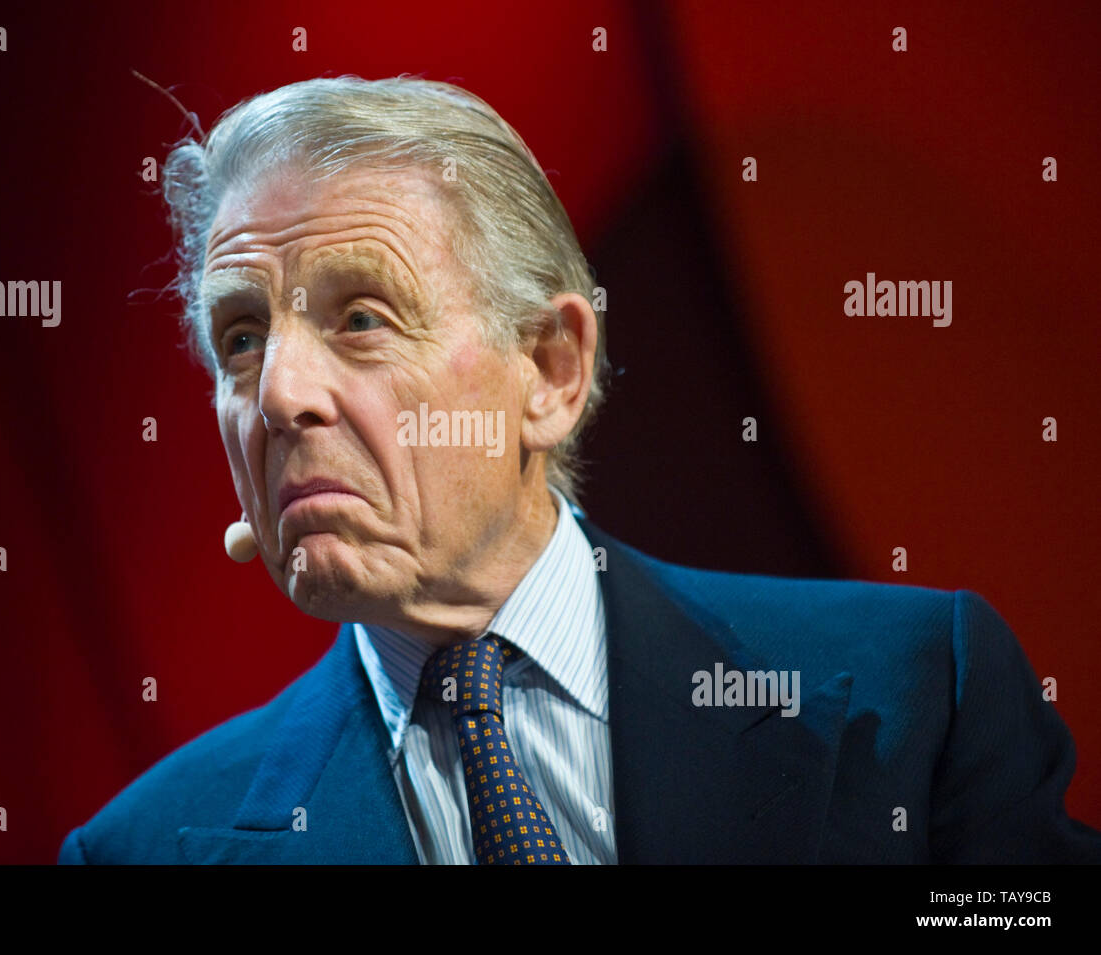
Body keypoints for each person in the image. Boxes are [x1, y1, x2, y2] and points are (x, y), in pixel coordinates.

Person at [59, 76, 1101, 864]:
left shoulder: (913, 700)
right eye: (240, 338)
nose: (279, 395)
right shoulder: (144, 848)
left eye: (363, 318)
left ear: (551, 369)